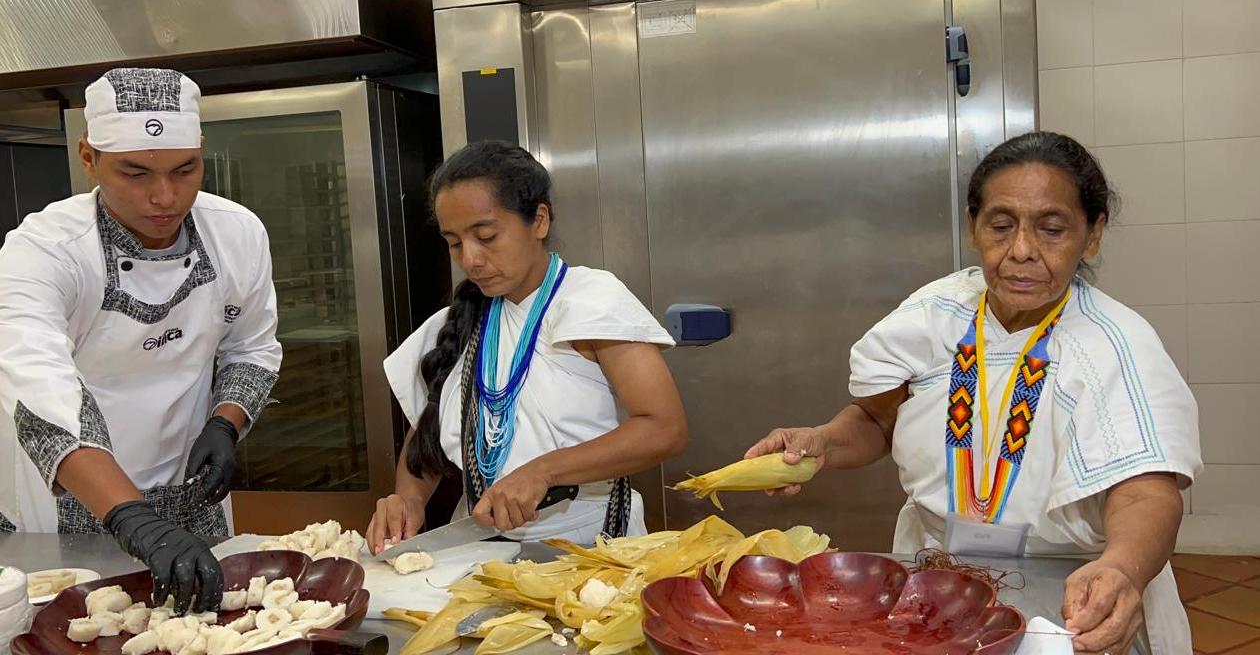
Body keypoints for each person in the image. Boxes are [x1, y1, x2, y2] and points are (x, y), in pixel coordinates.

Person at [745, 132, 1200, 655]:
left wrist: (1122, 568)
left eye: (1052, 230)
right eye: (1001, 226)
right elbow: (877, 421)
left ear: (1092, 235)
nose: (1022, 251)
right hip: (932, 584)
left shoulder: (1117, 344)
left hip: (1075, 595)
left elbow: (1147, 490)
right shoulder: (933, 313)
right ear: (973, 226)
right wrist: (821, 441)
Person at [0, 68, 282, 612]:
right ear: (88, 158)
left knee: (209, 632)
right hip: (66, 503)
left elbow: (253, 348)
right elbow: (41, 392)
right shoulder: (43, 252)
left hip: (189, 490)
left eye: (185, 169)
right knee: (80, 632)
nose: (165, 196)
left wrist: (226, 423)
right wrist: (133, 519)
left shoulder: (237, 233)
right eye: (135, 173)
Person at [370, 141, 687, 552]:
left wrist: (543, 473)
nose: (470, 259)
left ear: (538, 220)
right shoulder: (458, 321)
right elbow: (428, 431)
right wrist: (407, 500)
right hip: (480, 551)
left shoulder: (593, 301)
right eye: (454, 243)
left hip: (592, 549)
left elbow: (664, 428)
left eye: (486, 236)